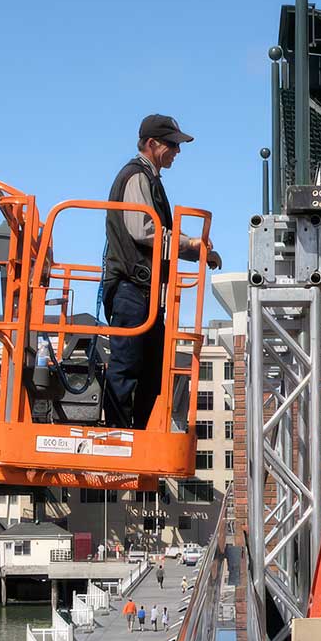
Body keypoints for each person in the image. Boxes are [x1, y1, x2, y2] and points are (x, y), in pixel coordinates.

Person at [100, 114, 222, 430]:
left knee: (152, 369)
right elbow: (144, 231)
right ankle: (118, 436)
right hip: (132, 287)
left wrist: (193, 248)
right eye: (172, 145)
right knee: (127, 364)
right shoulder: (136, 177)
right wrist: (192, 246)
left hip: (144, 290)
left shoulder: (147, 179)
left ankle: (137, 434)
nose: (177, 152)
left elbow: (151, 233)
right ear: (153, 144)